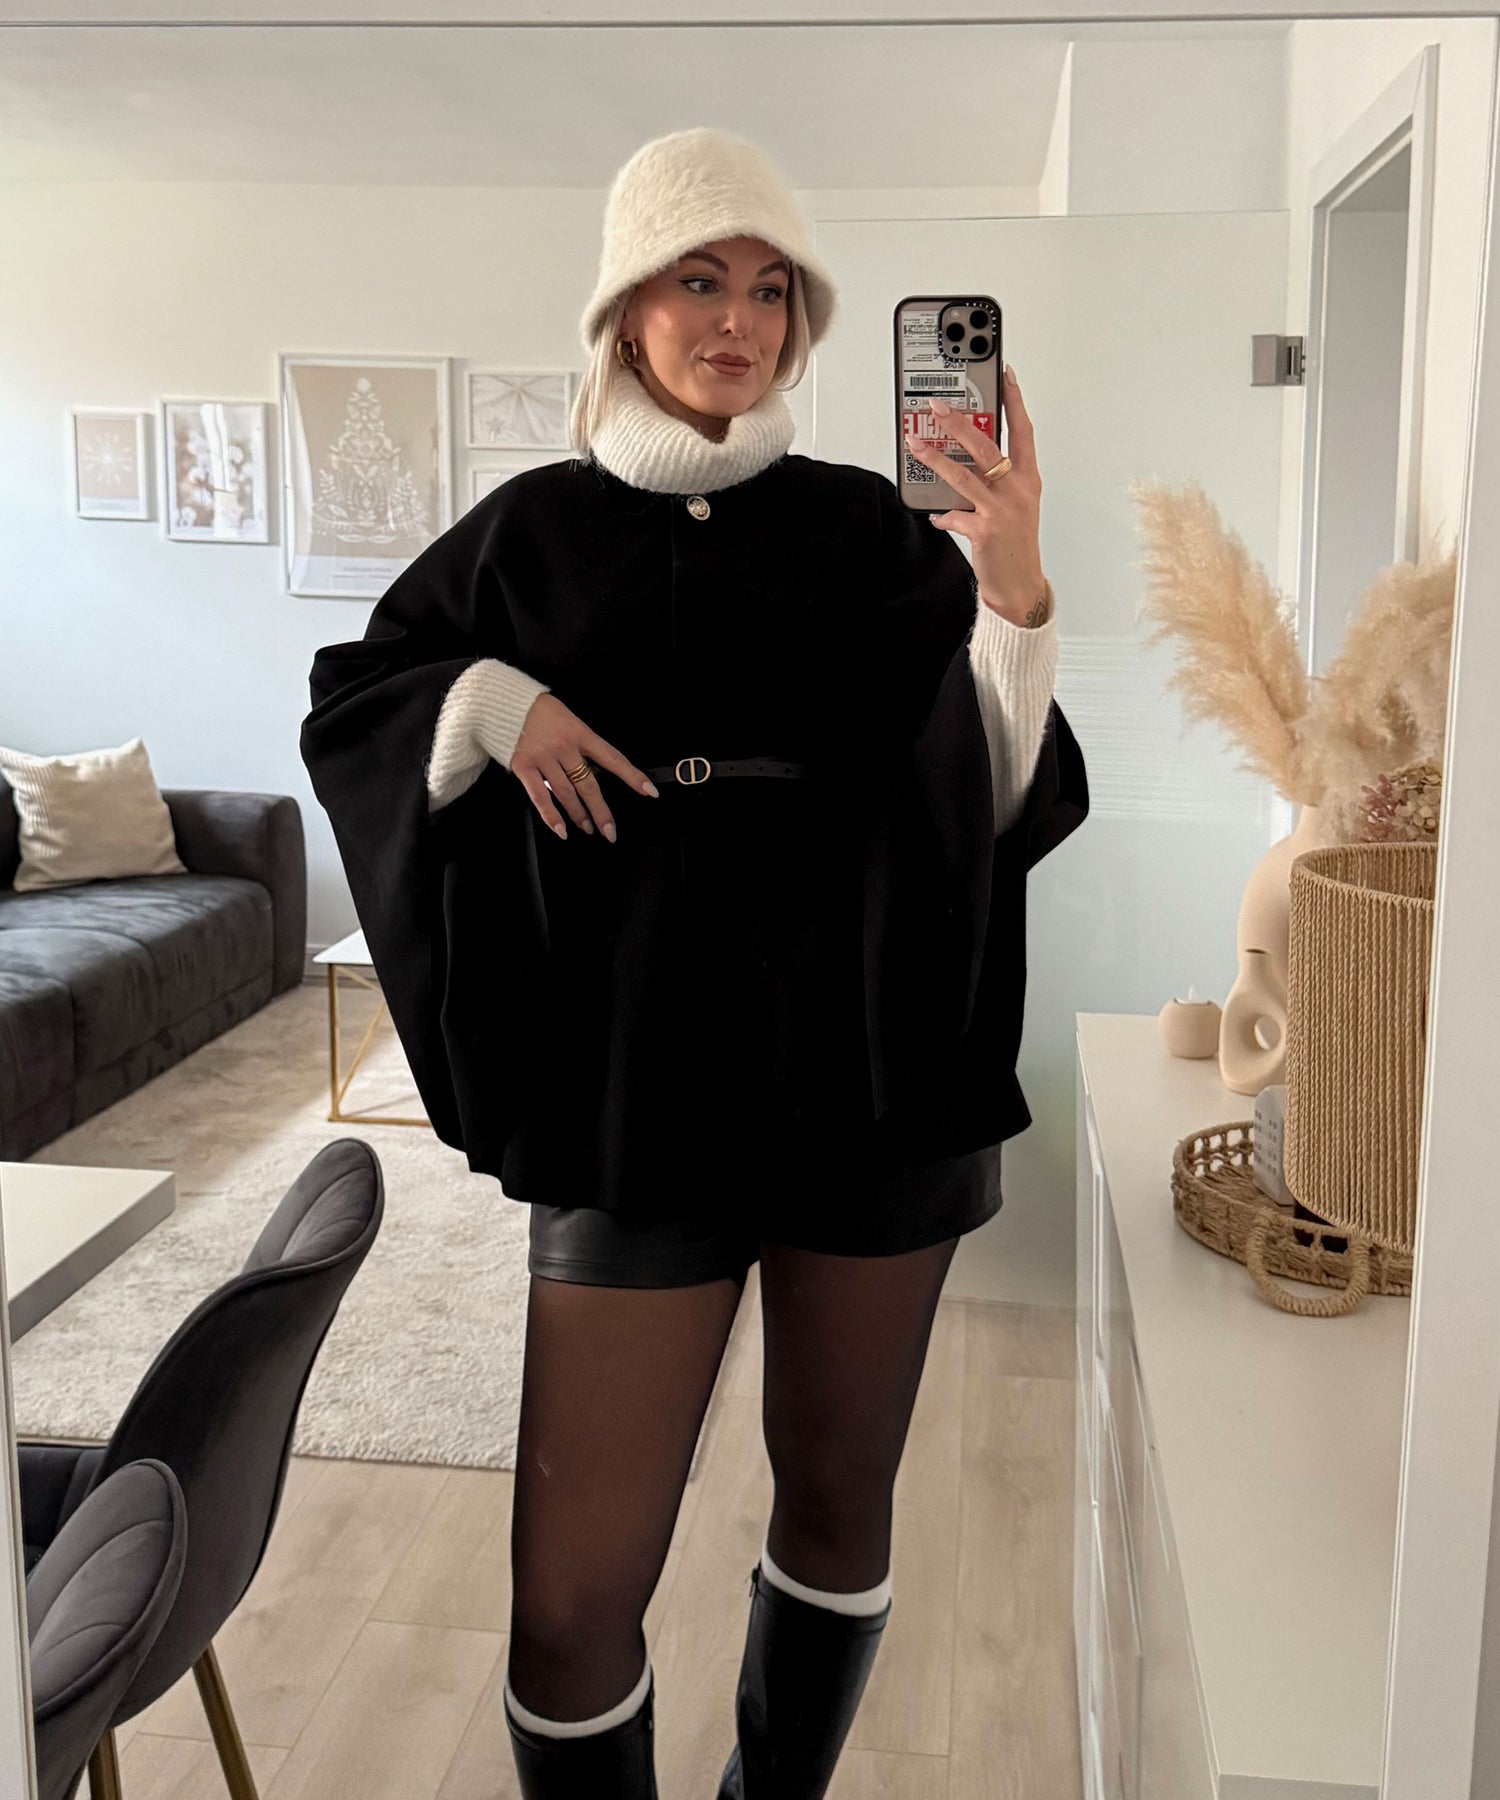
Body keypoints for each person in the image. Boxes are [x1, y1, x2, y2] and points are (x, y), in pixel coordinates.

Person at [300, 126, 1088, 1800]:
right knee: (568, 1602)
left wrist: (1014, 594)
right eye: (698, 278)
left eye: (772, 288)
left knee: (839, 1498)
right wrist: (493, 704)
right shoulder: (526, 533)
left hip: (870, 1075)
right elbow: (358, 704)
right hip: (633, 1090)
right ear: (627, 308)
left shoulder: (874, 530)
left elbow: (991, 799)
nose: (738, 318)